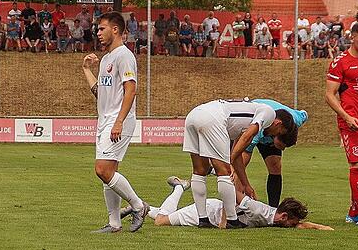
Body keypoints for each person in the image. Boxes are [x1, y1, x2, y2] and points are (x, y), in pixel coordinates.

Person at [81, 11, 149, 233]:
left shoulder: (124, 56)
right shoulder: (107, 59)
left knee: (102, 169)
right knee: (108, 173)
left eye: (102, 28)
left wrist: (119, 121)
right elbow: (101, 93)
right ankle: (114, 223)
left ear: (115, 30)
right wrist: (86, 70)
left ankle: (138, 206)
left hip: (119, 121)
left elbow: (131, 90)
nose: (98, 33)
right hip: (104, 121)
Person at [183, 99, 297, 228]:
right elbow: (247, 137)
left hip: (194, 115)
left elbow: (238, 153)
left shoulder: (243, 121)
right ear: (278, 123)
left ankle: (202, 219)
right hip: (213, 117)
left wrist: (246, 185)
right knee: (224, 172)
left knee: (199, 171)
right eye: (279, 132)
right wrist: (229, 161)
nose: (274, 136)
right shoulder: (268, 112)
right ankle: (232, 220)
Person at [121, 176, 331, 230]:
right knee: (160, 222)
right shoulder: (258, 210)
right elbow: (230, 193)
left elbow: (302, 225)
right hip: (207, 211)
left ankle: (139, 207)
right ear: (284, 216)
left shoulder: (274, 219)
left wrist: (322, 227)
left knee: (158, 216)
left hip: (210, 210)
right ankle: (179, 187)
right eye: (292, 223)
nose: (293, 227)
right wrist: (224, 222)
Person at [324, 22, 358, 226]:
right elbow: (329, 95)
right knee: (357, 164)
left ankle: (354, 210)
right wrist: (346, 117)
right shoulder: (341, 62)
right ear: (352, 38)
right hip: (351, 121)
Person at [240, 99, 307, 207]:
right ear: (278, 132)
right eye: (281, 146)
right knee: (239, 168)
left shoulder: (296, 120)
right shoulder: (258, 129)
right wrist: (244, 181)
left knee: (275, 165)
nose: (282, 150)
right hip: (251, 124)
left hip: (272, 130)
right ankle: (235, 203)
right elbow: (245, 153)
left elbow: (305, 114)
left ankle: (273, 208)